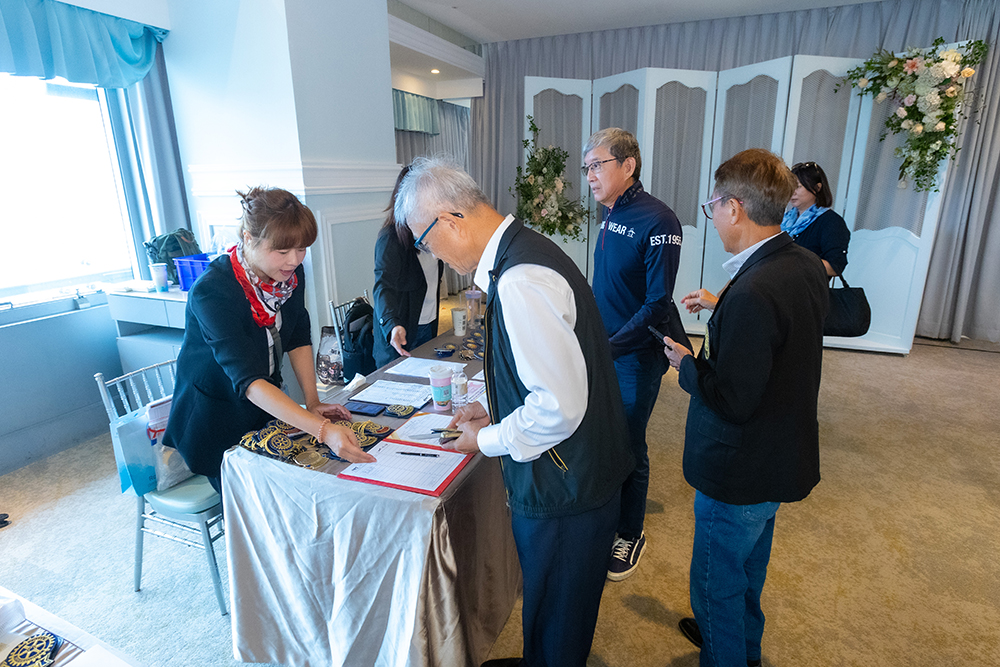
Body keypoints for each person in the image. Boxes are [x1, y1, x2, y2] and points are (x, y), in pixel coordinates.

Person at [393, 156, 634, 667]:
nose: (430, 254)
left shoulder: (520, 279)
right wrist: (494, 407)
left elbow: (557, 409)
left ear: (451, 221)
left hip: (568, 484)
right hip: (581, 472)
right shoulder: (526, 250)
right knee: (552, 607)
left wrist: (484, 439)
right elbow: (550, 373)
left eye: (424, 242)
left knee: (559, 614)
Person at [663, 149, 828, 667]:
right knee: (749, 570)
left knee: (716, 585)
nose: (712, 216)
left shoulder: (755, 288)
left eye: (712, 206)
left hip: (739, 468)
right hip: (778, 455)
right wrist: (724, 307)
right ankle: (746, 651)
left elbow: (732, 399)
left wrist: (686, 365)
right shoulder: (800, 263)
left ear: (733, 207)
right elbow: (780, 340)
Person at [164, 187, 375, 493]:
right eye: (283, 251)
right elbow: (249, 381)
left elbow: (298, 334)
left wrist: (313, 402)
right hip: (215, 418)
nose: (294, 260)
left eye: (302, 249)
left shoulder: (289, 277)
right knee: (247, 506)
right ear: (248, 238)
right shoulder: (212, 291)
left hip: (264, 408)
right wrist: (323, 430)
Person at [583, 127, 690, 581]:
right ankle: (605, 517)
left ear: (628, 165)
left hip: (633, 357)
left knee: (628, 444)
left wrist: (610, 347)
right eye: (586, 167)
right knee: (601, 436)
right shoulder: (610, 213)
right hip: (602, 348)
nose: (590, 175)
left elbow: (657, 303)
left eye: (597, 165)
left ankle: (630, 532)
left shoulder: (660, 220)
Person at [373, 165, 444, 368]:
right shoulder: (390, 238)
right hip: (400, 331)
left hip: (429, 323)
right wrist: (392, 325)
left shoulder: (432, 233)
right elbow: (383, 286)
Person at [782, 161, 851, 277]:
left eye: (798, 187)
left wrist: (796, 262)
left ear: (817, 188)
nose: (792, 192)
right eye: (790, 186)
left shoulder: (831, 222)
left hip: (808, 286)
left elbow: (835, 267)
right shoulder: (784, 219)